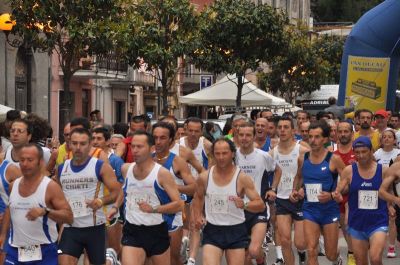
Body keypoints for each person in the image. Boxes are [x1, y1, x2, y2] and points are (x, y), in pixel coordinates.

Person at [107, 131, 182, 265]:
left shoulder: (162, 174)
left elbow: (179, 204)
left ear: (151, 148)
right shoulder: (126, 169)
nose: (135, 150)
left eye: (140, 147)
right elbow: (125, 190)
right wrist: (115, 206)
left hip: (156, 230)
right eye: (133, 146)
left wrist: (153, 209)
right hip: (132, 230)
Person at [192, 138, 265, 265]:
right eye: (217, 153)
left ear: (232, 153)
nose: (221, 157)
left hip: (236, 229)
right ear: (213, 155)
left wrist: (245, 204)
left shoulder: (242, 178)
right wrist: (198, 216)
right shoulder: (204, 177)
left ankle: (261, 257)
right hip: (212, 230)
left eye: (224, 153)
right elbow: (198, 198)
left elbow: (260, 204)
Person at [0, 143, 73, 264]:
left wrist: (46, 211)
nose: (25, 164)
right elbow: (10, 208)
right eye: (22, 160)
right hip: (15, 250)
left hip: (44, 251)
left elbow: (69, 217)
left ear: (40, 162)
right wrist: (3, 235)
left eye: (30, 160)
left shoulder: (50, 187)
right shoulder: (13, 185)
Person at [57, 128, 120, 265]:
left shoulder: (100, 166)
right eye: (74, 143)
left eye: (83, 143)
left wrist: (100, 201)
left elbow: (117, 191)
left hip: (94, 228)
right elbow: (58, 197)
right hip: (71, 227)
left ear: (90, 144)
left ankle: (110, 258)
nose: (78, 147)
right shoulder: (62, 168)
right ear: (69, 143)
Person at [290, 120, 345, 265]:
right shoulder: (303, 158)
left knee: (330, 254)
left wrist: (334, 194)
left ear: (325, 139)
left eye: (317, 137)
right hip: (310, 209)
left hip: (329, 210)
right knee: (312, 250)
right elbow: (299, 177)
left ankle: (337, 258)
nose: (312, 140)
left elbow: (348, 178)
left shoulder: (333, 159)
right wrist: (295, 191)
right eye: (310, 136)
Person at [333, 136, 389, 265]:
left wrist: (391, 206)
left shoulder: (383, 170)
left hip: (378, 221)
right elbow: (341, 188)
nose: (361, 155)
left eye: (364, 152)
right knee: (360, 262)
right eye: (357, 152)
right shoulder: (349, 171)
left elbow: (388, 192)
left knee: (375, 258)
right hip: (357, 222)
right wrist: (337, 195)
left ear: (371, 151)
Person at [236, 122, 281, 265]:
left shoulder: (263, 156)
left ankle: (262, 259)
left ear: (254, 136)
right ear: (237, 136)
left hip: (259, 208)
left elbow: (278, 170)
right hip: (237, 210)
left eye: (248, 135)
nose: (244, 138)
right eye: (241, 135)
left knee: (254, 251)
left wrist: (272, 189)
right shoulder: (232, 156)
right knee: (244, 256)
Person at [152, 122, 196, 265]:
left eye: (163, 138)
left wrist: (173, 187)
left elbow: (193, 187)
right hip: (150, 214)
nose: (158, 142)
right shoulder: (147, 159)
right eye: (155, 137)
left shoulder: (177, 162)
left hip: (172, 216)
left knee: (172, 258)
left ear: (171, 139)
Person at [267, 117, 308, 265]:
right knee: (285, 241)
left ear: (293, 130)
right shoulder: (272, 153)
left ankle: (302, 253)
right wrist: (270, 190)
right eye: (280, 127)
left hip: (300, 200)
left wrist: (302, 189)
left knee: (301, 243)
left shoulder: (302, 150)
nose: (282, 130)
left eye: (286, 127)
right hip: (282, 199)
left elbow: (312, 174)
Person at [178, 117, 212, 265]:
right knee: (184, 222)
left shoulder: (207, 146)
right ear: (185, 129)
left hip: (199, 189)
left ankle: (191, 258)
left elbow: (210, 170)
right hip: (182, 187)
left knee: (194, 224)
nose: (192, 134)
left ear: (201, 131)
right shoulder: (178, 145)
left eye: (196, 131)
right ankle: (183, 242)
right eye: (190, 130)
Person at [373, 128, 400, 258]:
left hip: (393, 189)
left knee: (392, 218)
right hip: (379, 189)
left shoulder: (398, 154)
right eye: (384, 137)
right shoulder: (377, 154)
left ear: (395, 140)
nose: (387, 139)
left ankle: (391, 246)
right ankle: (375, 243)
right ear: (381, 140)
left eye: (390, 137)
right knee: (379, 218)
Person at [334, 121, 356, 265]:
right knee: (344, 228)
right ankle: (349, 254)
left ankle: (352, 256)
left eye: (346, 131)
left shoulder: (360, 151)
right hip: (337, 197)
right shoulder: (332, 154)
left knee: (352, 228)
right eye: (340, 131)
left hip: (355, 197)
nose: (343, 134)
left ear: (352, 134)